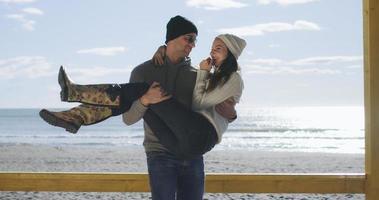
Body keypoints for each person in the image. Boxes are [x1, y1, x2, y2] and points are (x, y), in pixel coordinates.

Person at [39, 15, 245, 200]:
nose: (193, 45)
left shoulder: (198, 76)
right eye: (189, 39)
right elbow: (128, 119)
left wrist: (232, 114)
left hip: (192, 155)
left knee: (141, 89)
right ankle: (76, 113)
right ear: (172, 38)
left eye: (195, 40)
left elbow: (213, 107)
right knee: (143, 91)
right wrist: (145, 101)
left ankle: (77, 107)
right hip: (160, 152)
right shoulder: (143, 70)